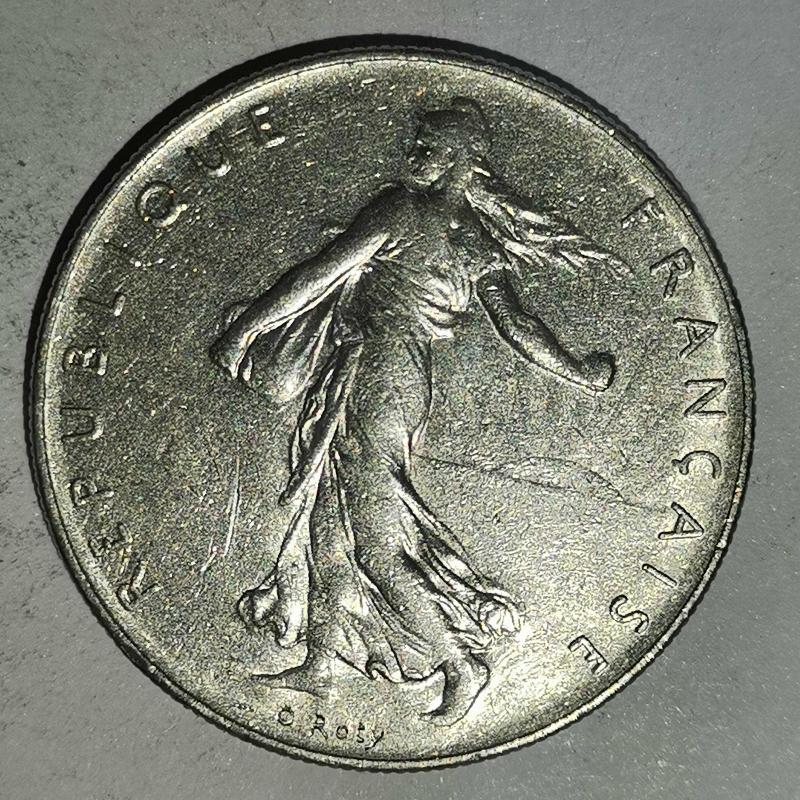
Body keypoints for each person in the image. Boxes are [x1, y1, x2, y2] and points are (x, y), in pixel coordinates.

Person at [210, 99, 626, 724]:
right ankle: (322, 664)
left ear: (460, 157)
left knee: (377, 545)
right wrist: (580, 372)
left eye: (427, 146)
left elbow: (319, 273)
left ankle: (461, 663)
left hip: (376, 374)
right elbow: (518, 326)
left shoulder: (400, 209)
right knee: (330, 526)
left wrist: (245, 330)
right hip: (396, 379)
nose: (412, 155)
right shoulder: (477, 240)